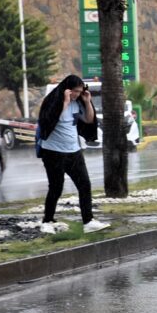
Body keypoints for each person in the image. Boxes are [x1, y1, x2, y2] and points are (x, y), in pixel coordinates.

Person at [38, 74, 110, 233]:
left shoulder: (78, 102)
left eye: (79, 91)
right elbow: (49, 120)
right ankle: (47, 221)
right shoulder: (53, 101)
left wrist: (87, 101)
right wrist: (64, 102)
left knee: (85, 185)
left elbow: (90, 120)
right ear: (67, 89)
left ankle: (88, 221)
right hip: (53, 152)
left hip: (74, 152)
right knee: (56, 187)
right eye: (74, 91)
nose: (77, 94)